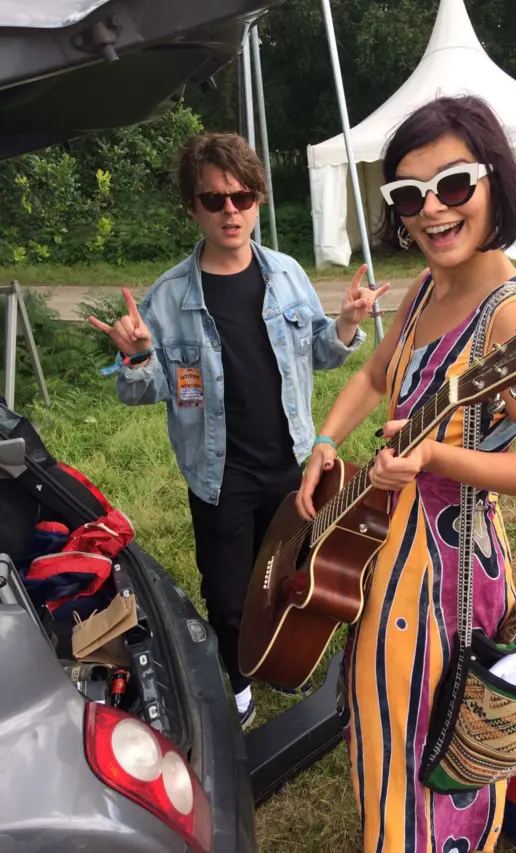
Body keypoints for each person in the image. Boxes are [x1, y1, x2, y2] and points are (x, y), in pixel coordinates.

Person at [296, 95, 516, 853]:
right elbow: (378, 371)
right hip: (377, 549)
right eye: (407, 195)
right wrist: (327, 438)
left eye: (453, 184)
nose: (430, 210)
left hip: (447, 580)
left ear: (496, 184)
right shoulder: (428, 285)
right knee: (386, 737)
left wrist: (436, 456)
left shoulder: (514, 321)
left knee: (434, 758)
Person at [88, 132, 389, 728]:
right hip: (218, 474)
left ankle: (282, 658)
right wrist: (137, 356)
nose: (231, 210)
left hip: (294, 465)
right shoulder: (170, 298)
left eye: (243, 196)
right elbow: (141, 391)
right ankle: (241, 681)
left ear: (257, 201)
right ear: (193, 207)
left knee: (291, 576)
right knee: (228, 594)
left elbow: (321, 355)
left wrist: (348, 324)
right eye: (215, 199)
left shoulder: (287, 274)